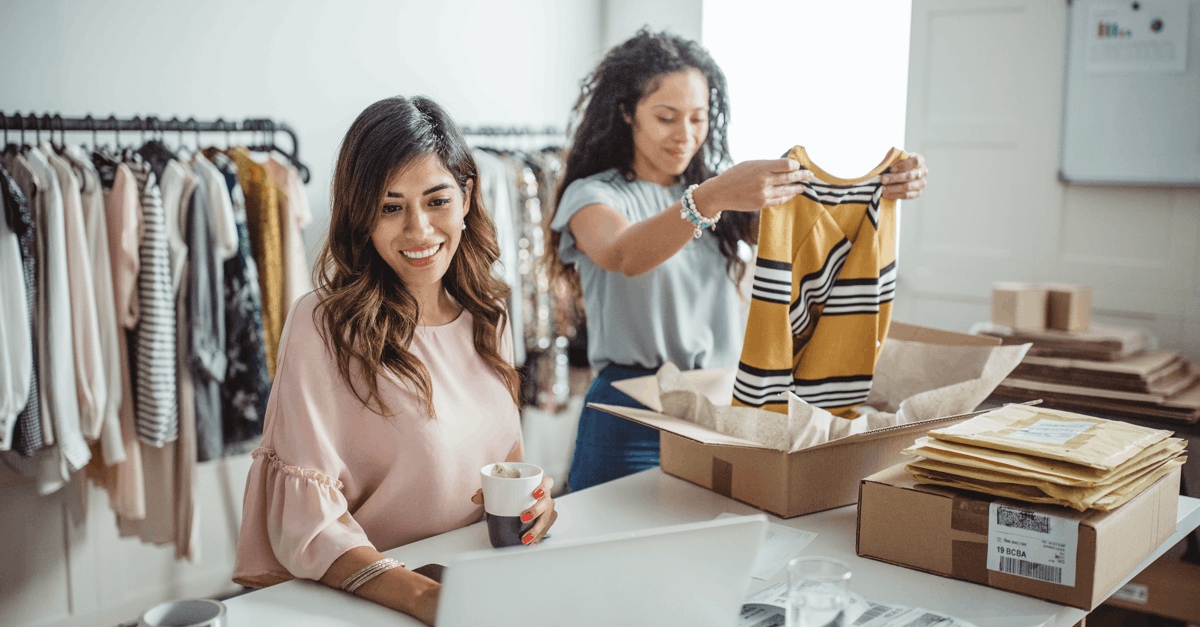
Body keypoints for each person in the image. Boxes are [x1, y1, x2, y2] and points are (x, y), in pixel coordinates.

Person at [546, 29, 929, 492]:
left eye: (698, 118)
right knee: (610, 552)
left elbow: (814, 230)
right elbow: (624, 254)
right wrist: (710, 198)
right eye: (666, 118)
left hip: (721, 407)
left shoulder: (722, 197)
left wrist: (881, 187)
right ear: (627, 113)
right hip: (631, 414)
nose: (684, 136)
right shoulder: (594, 195)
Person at [232, 95, 557, 626]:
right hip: (378, 605)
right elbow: (309, 526)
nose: (419, 231)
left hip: (485, 587)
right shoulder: (323, 326)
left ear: (467, 195)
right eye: (390, 206)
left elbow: (504, 467)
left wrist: (536, 505)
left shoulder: (489, 312)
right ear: (361, 215)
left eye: (437, 200)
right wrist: (428, 600)